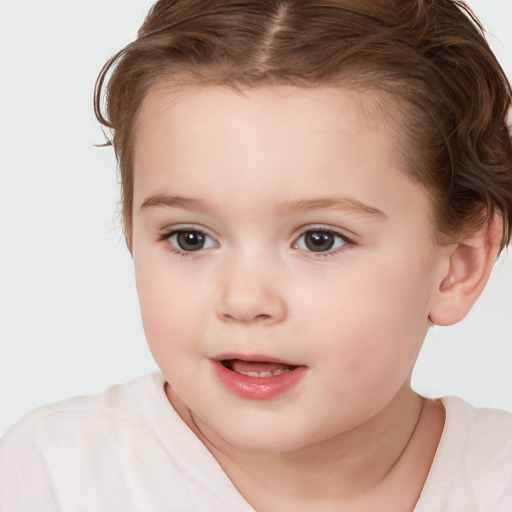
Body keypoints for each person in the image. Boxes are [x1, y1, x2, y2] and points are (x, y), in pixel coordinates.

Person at [1, 0, 512, 510]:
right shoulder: (49, 481)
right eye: (190, 238)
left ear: (458, 267)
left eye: (319, 240)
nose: (244, 300)